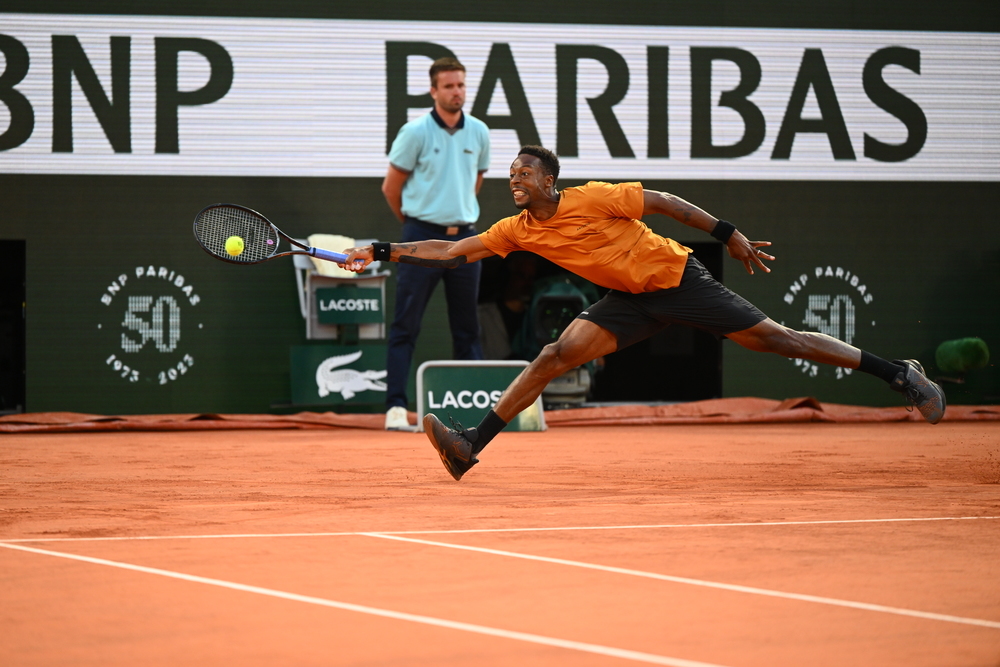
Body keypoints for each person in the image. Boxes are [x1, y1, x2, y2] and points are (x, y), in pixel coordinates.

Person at [343, 145, 946, 479]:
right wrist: (382, 249)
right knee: (555, 355)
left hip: (678, 279)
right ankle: (470, 445)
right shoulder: (516, 230)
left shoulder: (594, 197)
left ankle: (900, 373)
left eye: (525, 174)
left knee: (779, 341)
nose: (515, 182)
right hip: (629, 300)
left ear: (551, 180)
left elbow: (662, 201)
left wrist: (727, 232)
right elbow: (450, 251)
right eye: (511, 176)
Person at [380, 57, 491, 430]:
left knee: (467, 328)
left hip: (465, 239)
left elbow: (474, 182)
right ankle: (395, 407)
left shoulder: (479, 131)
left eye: (460, 85)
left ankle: (475, 415)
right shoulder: (414, 133)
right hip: (419, 237)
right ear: (433, 91)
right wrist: (416, 225)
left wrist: (456, 217)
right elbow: (391, 188)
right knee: (405, 324)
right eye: (448, 86)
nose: (456, 92)